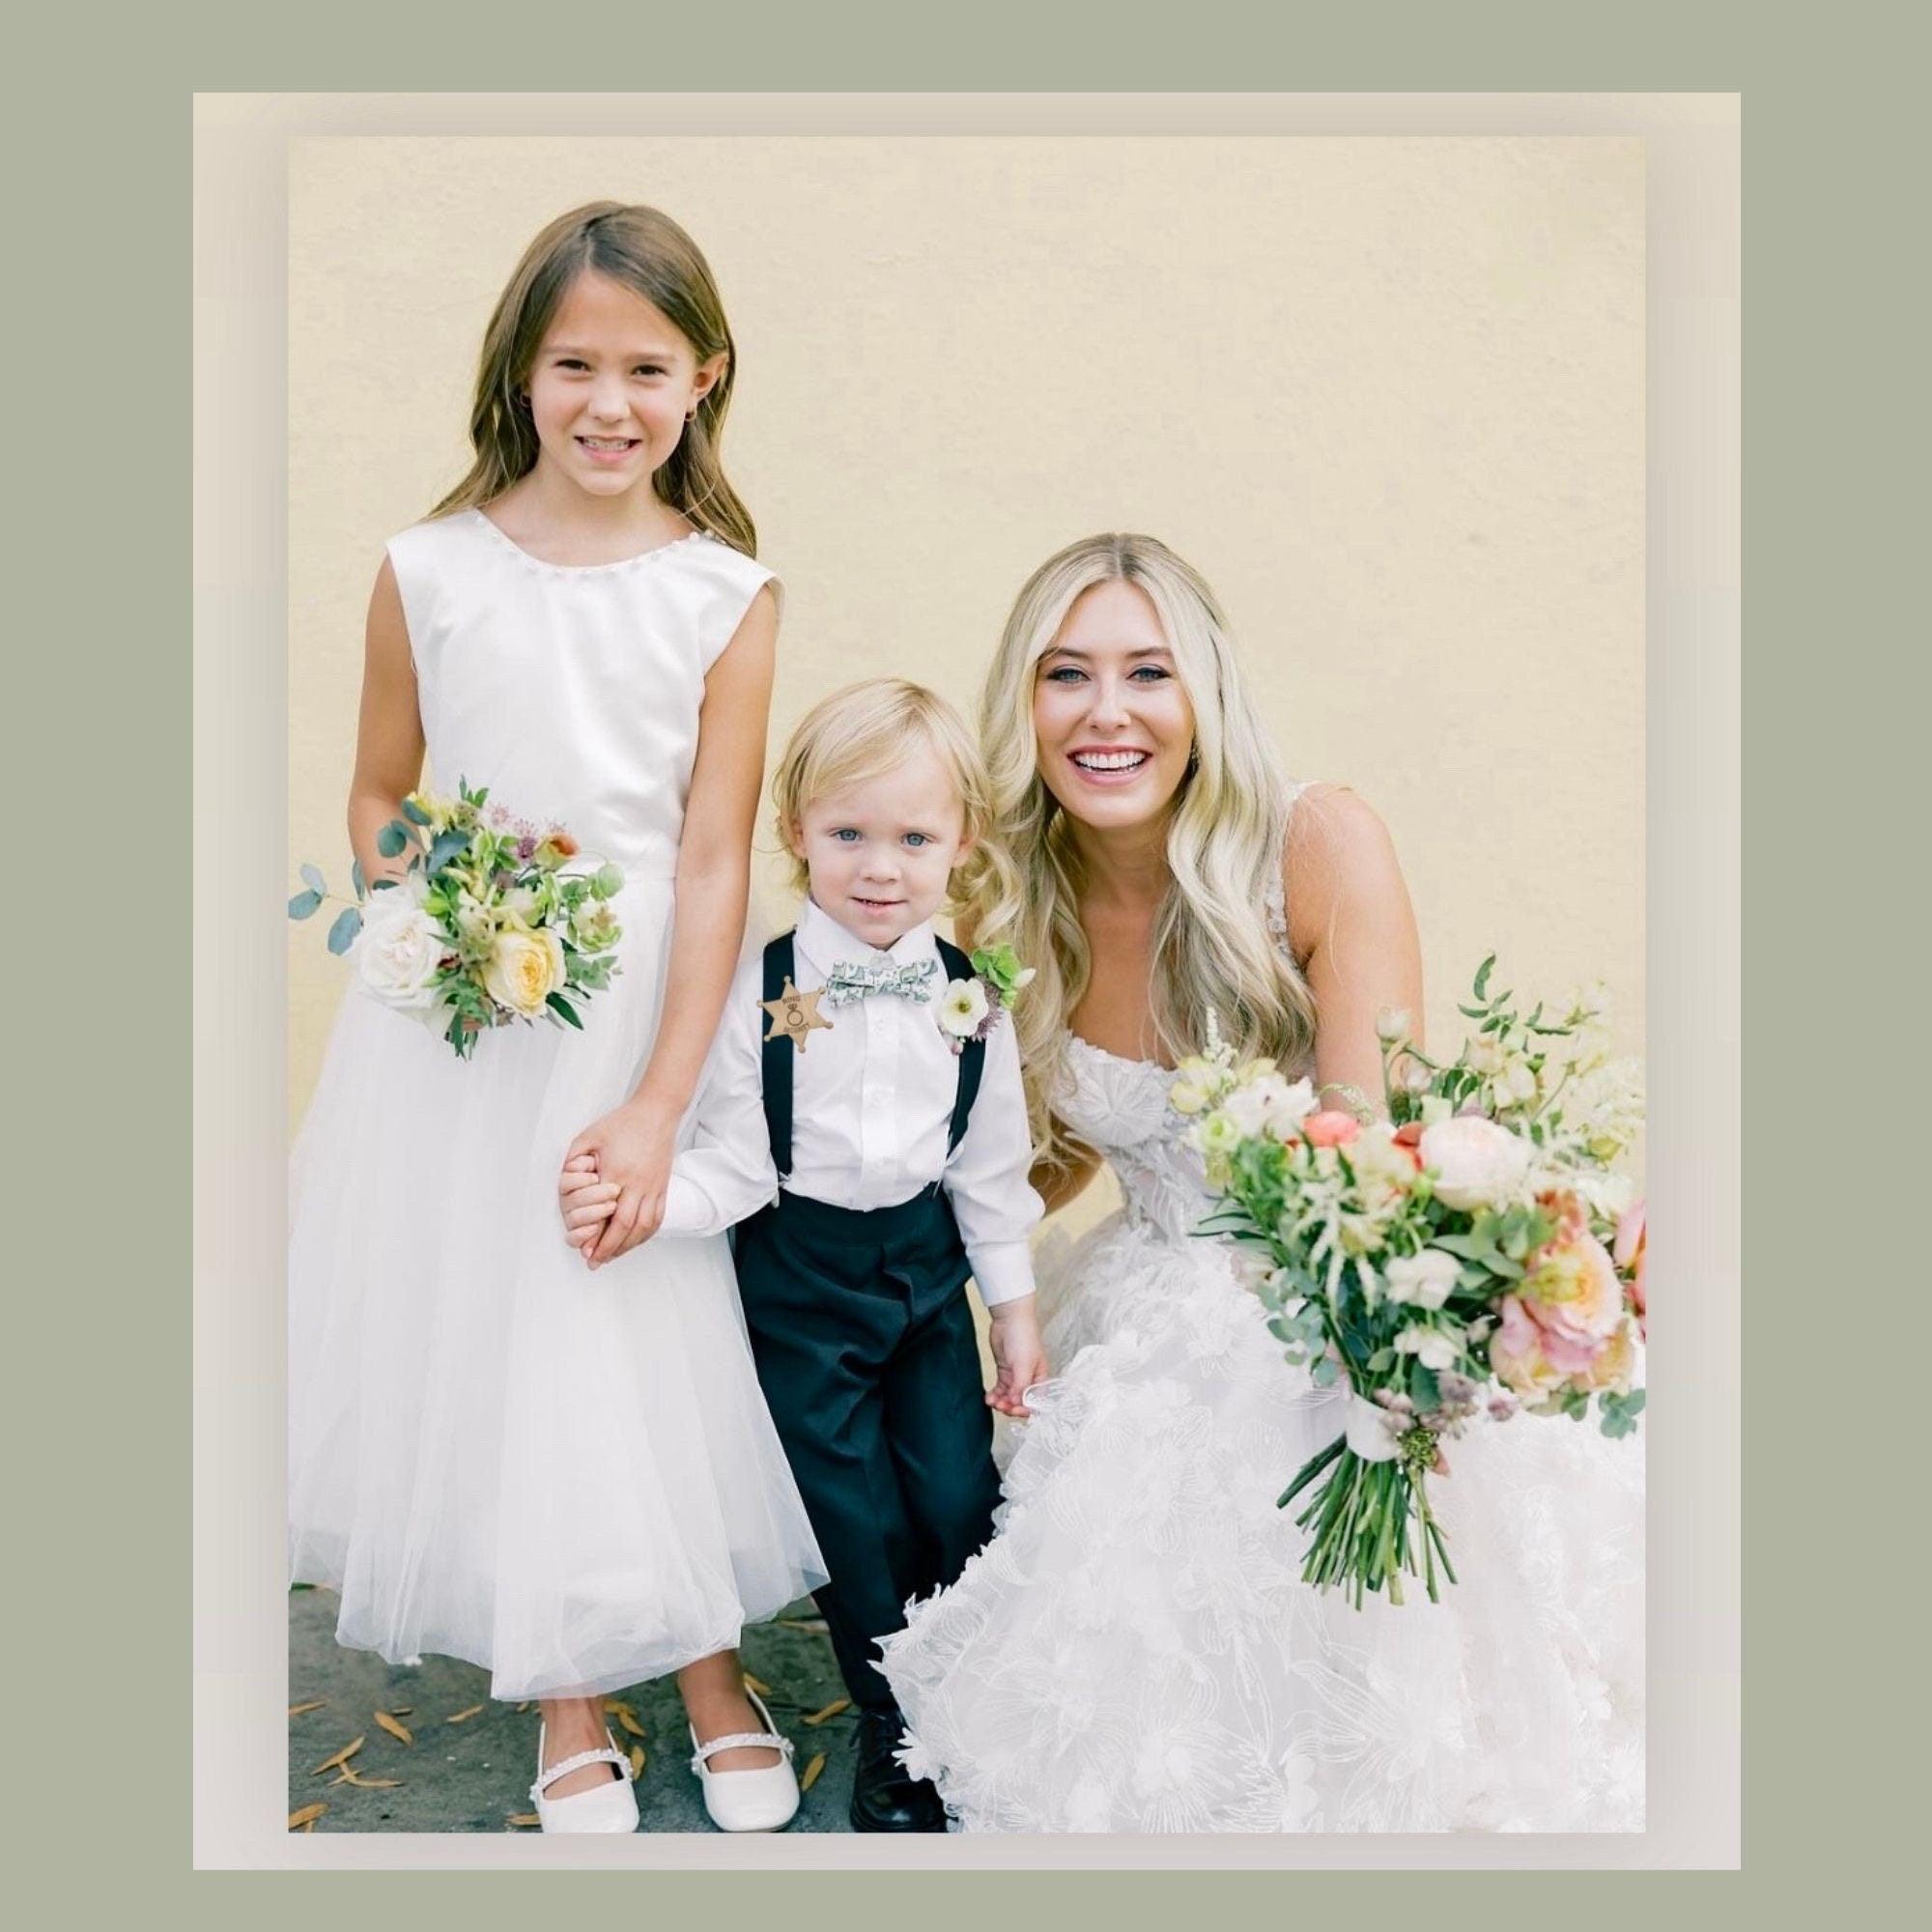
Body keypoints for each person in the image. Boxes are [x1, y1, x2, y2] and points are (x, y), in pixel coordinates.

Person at [875, 533, 1645, 1833]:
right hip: (1132, 1281)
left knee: (1246, 1440)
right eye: (1066, 676)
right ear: (1027, 704)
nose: (1105, 713)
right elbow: (1046, 1157)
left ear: (1204, 697)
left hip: (1323, 1273)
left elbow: (1369, 1139)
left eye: (1146, 673)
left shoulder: (1317, 843)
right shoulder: (1012, 903)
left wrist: (1358, 1342)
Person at [287, 202, 826, 1835]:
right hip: (472, 1018)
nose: (610, 401)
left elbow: (716, 854)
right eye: (575, 363)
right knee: (519, 1331)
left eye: (646, 367)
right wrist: (431, 914)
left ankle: (711, 1665)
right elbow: (383, 794)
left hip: (645, 1001)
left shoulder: (727, 591)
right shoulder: (427, 571)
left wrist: (665, 1098)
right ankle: (569, 1694)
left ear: (704, 376)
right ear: (522, 376)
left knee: (640, 1311)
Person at [561, 679, 1051, 1831]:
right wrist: (652, 1199)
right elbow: (735, 1158)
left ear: (959, 843)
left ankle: (965, 1707)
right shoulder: (756, 990)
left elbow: (987, 1168)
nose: (881, 868)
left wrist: (1012, 1310)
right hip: (797, 1282)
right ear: (796, 833)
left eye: (913, 838)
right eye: (849, 834)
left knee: (955, 1495)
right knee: (853, 1519)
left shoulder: (976, 1001)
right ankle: (892, 1736)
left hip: (925, 1281)